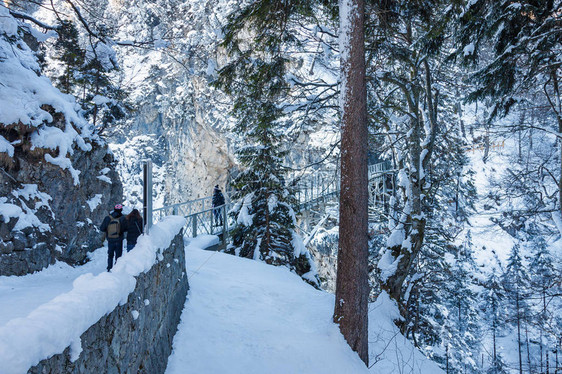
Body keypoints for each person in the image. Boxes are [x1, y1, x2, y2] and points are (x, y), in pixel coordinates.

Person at [100, 203, 128, 271]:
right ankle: (117, 269)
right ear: (121, 210)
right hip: (119, 240)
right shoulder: (123, 218)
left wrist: (108, 230)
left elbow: (102, 228)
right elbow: (126, 228)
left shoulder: (108, 218)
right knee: (118, 256)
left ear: (114, 209)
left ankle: (109, 268)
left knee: (110, 255)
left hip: (110, 240)